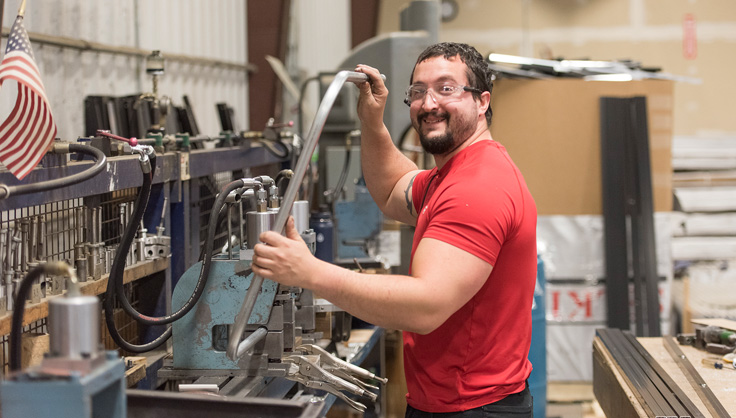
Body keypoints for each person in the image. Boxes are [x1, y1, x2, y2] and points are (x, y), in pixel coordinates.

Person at [251, 42, 537, 417]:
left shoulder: (476, 187)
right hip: (452, 401)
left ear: (482, 102)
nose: (429, 103)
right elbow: (392, 188)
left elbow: (425, 306)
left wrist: (309, 272)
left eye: (446, 88)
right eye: (418, 91)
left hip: (473, 407)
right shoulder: (452, 175)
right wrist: (372, 122)